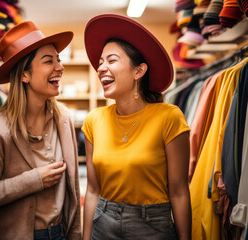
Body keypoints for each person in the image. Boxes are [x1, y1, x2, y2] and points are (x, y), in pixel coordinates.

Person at [81, 14, 191, 240]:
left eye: (111, 60)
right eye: (100, 62)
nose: (101, 68)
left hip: (152, 226)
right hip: (103, 222)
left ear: (138, 71)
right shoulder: (94, 120)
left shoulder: (169, 117)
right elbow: (92, 189)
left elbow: (179, 191)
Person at [0, 21, 81, 240]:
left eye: (58, 60)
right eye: (48, 61)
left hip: (61, 233)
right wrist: (34, 180)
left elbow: (73, 191)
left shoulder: (63, 120)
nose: (59, 68)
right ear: (24, 75)